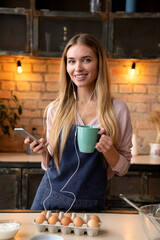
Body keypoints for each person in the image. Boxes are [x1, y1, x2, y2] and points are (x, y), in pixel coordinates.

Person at [25, 33, 132, 211]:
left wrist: (109, 151)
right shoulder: (55, 109)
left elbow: (123, 168)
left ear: (99, 63)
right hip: (47, 200)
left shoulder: (117, 110)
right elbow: (50, 165)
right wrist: (44, 153)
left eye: (86, 60)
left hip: (89, 205)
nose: (78, 68)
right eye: (71, 61)